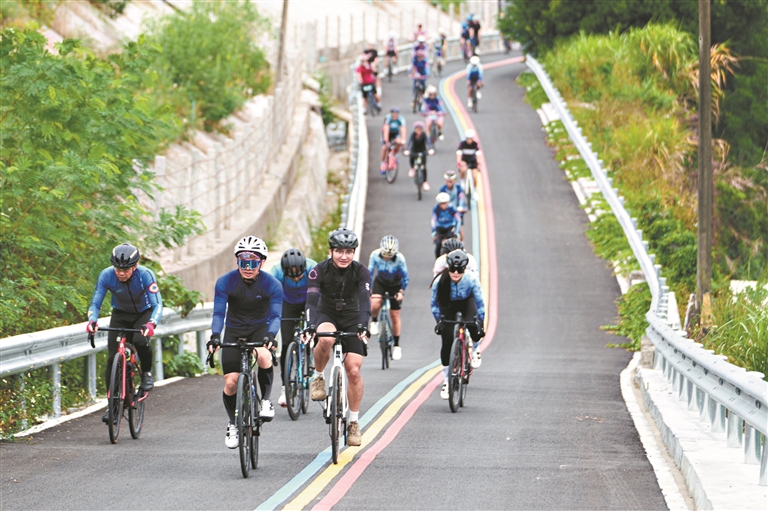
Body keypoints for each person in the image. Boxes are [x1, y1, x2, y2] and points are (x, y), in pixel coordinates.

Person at [206, 236, 283, 449]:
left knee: (264, 355)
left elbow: (276, 316)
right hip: (234, 330)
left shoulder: (272, 284)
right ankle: (233, 424)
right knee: (231, 383)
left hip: (260, 329)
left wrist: (270, 335)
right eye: (243, 262)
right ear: (237, 262)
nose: (248, 268)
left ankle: (266, 400)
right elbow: (219, 313)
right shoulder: (225, 282)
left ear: (262, 263)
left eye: (253, 263)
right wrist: (215, 336)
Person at [303, 228, 371, 447]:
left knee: (353, 369)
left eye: (349, 251)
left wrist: (363, 325)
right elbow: (311, 302)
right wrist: (310, 325)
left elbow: (365, 302)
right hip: (327, 314)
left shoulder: (361, 272)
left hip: (353, 316)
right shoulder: (318, 271)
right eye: (340, 251)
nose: (344, 256)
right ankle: (319, 376)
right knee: (326, 338)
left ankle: (353, 422)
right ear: (330, 251)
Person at [87, 243, 162, 424]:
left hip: (142, 313)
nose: (121, 272)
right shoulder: (106, 275)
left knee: (139, 340)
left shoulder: (145, 275)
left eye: (126, 269)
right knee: (113, 358)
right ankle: (112, 407)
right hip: (120, 314)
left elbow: (157, 304)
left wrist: (151, 324)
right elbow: (96, 302)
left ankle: (146, 373)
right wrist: (92, 320)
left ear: (134, 266)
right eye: (118, 268)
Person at [431, 250, 485, 399]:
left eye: (460, 269)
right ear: (448, 267)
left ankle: (475, 349)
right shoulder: (439, 281)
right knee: (447, 341)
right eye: (452, 269)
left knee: (474, 327)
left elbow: (480, 303)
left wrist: (480, 321)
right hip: (448, 306)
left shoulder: (471, 279)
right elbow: (434, 304)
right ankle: (447, 381)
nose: (456, 273)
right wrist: (439, 320)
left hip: (467, 303)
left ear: (465, 268)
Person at [270, 248, 318, 408]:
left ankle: (315, 363)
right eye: (292, 276)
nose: (297, 278)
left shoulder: (313, 268)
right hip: (287, 303)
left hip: (309, 301)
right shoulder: (276, 271)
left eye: (299, 275)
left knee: (319, 333)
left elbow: (322, 293)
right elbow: (269, 294)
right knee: (286, 343)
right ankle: (286, 388)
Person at [368, 235, 409, 360]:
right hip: (380, 282)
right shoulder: (374, 255)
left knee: (395, 316)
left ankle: (396, 345)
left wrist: (401, 292)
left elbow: (405, 277)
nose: (387, 256)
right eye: (385, 253)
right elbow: (369, 272)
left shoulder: (400, 259)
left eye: (390, 254)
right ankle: (374, 320)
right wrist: (368, 289)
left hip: (395, 284)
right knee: (375, 302)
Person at [403, 121, 434, 191]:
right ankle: (412, 168)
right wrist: (406, 150)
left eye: (420, 129)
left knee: (423, 167)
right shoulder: (413, 135)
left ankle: (425, 182)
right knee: (411, 157)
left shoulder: (424, 135)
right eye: (417, 129)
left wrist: (431, 149)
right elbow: (409, 142)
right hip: (414, 150)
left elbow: (428, 142)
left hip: (423, 151)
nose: (419, 131)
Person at [432, 192, 461, 258]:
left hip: (450, 227)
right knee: (438, 244)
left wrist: (457, 232)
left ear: (448, 202)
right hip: (440, 227)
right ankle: (437, 260)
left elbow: (458, 220)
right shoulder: (436, 208)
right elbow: (433, 220)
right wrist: (434, 231)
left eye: (445, 203)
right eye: (441, 204)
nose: (443, 205)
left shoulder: (452, 208)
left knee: (453, 245)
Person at [439, 170, 468, 238]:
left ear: (454, 181)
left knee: (460, 231)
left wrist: (461, 207)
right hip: (447, 213)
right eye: (447, 181)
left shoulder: (458, 188)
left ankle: (461, 245)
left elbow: (461, 197)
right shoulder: (443, 189)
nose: (448, 183)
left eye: (450, 181)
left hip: (457, 212)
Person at [380, 107, 407, 173]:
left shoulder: (401, 119)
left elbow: (403, 129)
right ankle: (383, 162)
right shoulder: (388, 118)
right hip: (387, 133)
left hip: (395, 133)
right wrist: (386, 141)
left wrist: (403, 140)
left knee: (399, 142)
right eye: (393, 114)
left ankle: (396, 154)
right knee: (384, 147)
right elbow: (386, 129)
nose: (395, 115)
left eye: (396, 114)